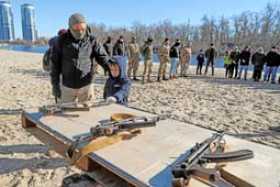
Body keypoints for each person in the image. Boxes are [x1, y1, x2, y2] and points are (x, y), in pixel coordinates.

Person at [51, 13, 114, 105]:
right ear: (70, 27)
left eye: (82, 28)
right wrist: (55, 85)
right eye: (76, 28)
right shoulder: (61, 40)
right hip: (67, 86)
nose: (80, 31)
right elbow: (55, 65)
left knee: (87, 113)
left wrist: (109, 66)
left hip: (86, 85)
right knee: (64, 112)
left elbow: (102, 57)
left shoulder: (92, 40)